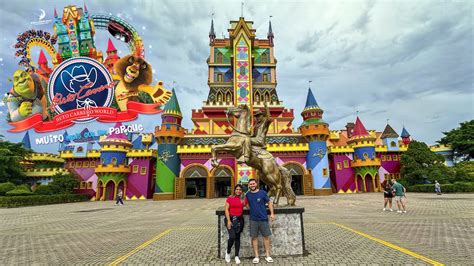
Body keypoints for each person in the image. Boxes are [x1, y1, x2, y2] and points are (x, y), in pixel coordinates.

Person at [245, 178, 275, 264]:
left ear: (256, 184)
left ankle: (268, 255)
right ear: (249, 185)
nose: (252, 185)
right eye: (250, 184)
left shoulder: (263, 193)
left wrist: (272, 213)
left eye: (253, 184)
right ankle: (256, 256)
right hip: (253, 219)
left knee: (266, 237)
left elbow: (269, 203)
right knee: (254, 238)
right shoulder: (248, 194)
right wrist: (251, 209)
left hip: (263, 219)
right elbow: (246, 204)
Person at [224, 184, 245, 264]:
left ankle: (236, 256)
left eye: (240, 189)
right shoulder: (230, 198)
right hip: (231, 219)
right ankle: (228, 252)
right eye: (237, 189)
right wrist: (229, 221)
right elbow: (226, 209)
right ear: (234, 190)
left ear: (242, 191)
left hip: (239, 220)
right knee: (232, 236)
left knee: (237, 238)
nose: (238, 191)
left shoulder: (243, 199)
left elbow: (248, 206)